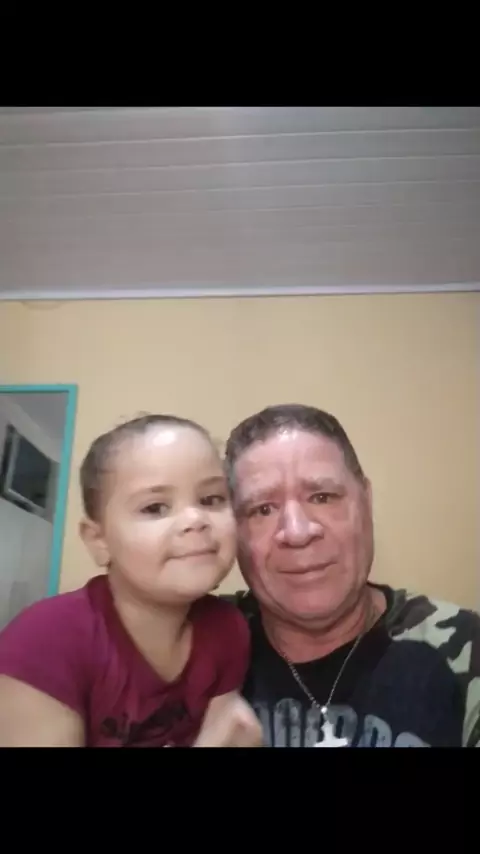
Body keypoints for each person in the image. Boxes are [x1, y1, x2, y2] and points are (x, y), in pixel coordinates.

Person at [223, 403, 480, 747]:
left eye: (322, 496)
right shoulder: (194, 645)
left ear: (366, 501)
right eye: (263, 509)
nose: (297, 532)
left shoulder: (465, 650)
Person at [0, 414, 262, 748]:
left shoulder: (227, 629)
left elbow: (228, 731)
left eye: (211, 500)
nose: (195, 519)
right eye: (155, 508)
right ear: (99, 540)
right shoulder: (43, 642)